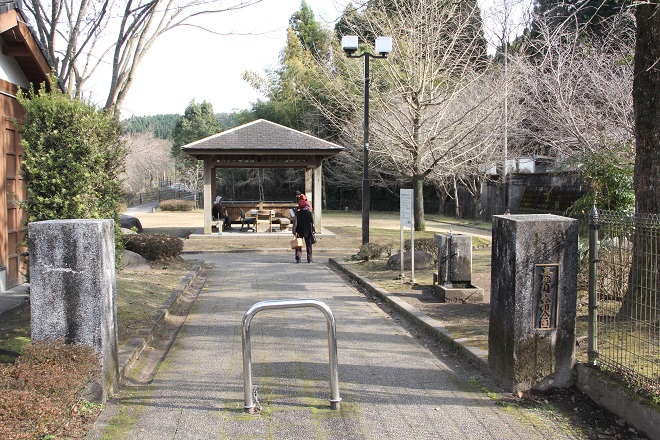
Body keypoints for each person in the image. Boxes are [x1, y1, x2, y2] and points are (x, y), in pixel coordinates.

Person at [293, 196, 314, 263]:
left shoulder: (297, 214)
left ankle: (298, 258)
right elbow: (312, 221)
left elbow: (295, 223)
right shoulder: (309, 213)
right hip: (308, 231)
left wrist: (294, 231)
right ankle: (309, 259)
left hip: (299, 231)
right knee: (309, 245)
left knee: (299, 245)